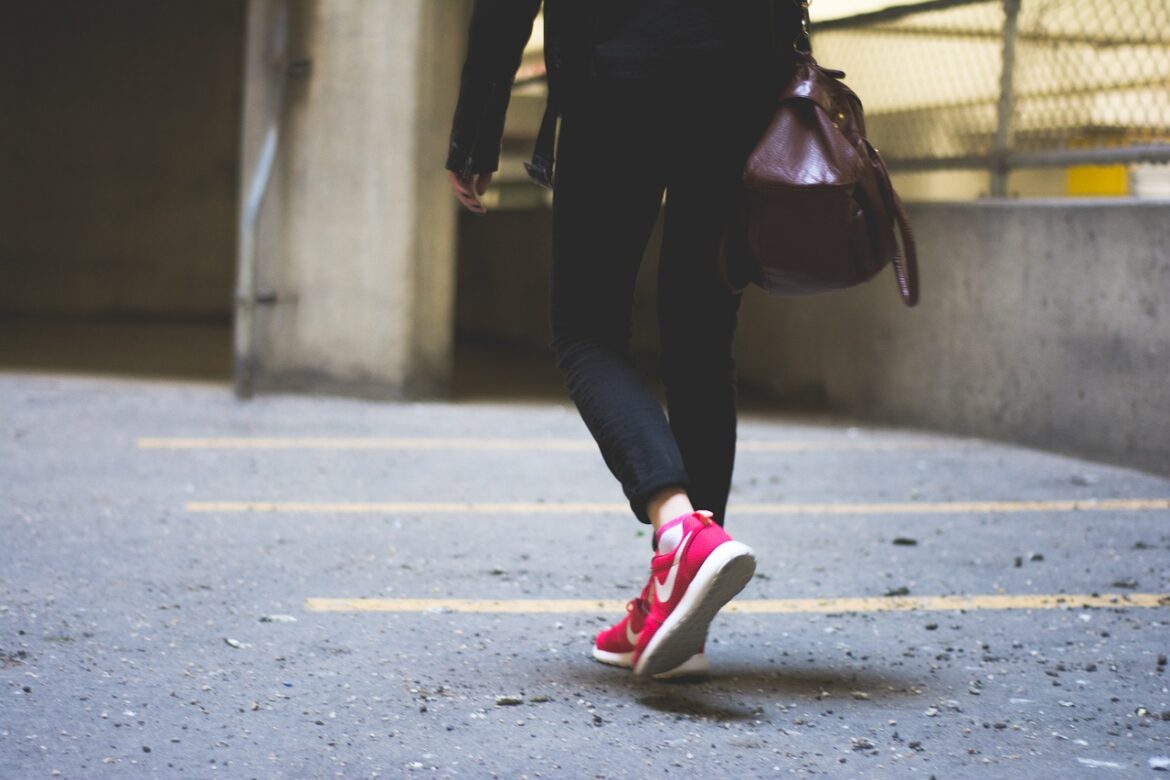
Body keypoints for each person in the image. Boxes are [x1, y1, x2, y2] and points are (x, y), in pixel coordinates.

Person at [446, 0, 801, 678]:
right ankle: (682, 618)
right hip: (739, 80)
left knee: (586, 330)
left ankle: (679, 530)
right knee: (701, 338)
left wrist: (476, 130)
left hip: (618, 71)